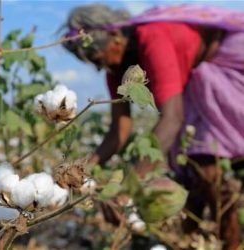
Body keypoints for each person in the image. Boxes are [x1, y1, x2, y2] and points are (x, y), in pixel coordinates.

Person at [62, 4, 244, 250]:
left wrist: (129, 189)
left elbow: (172, 118)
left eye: (97, 58)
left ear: (115, 36)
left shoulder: (152, 38)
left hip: (226, 62)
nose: (97, 67)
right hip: (197, 78)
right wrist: (80, 169)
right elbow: (119, 131)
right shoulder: (118, 70)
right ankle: (191, 240)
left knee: (207, 166)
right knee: (193, 170)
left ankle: (230, 243)